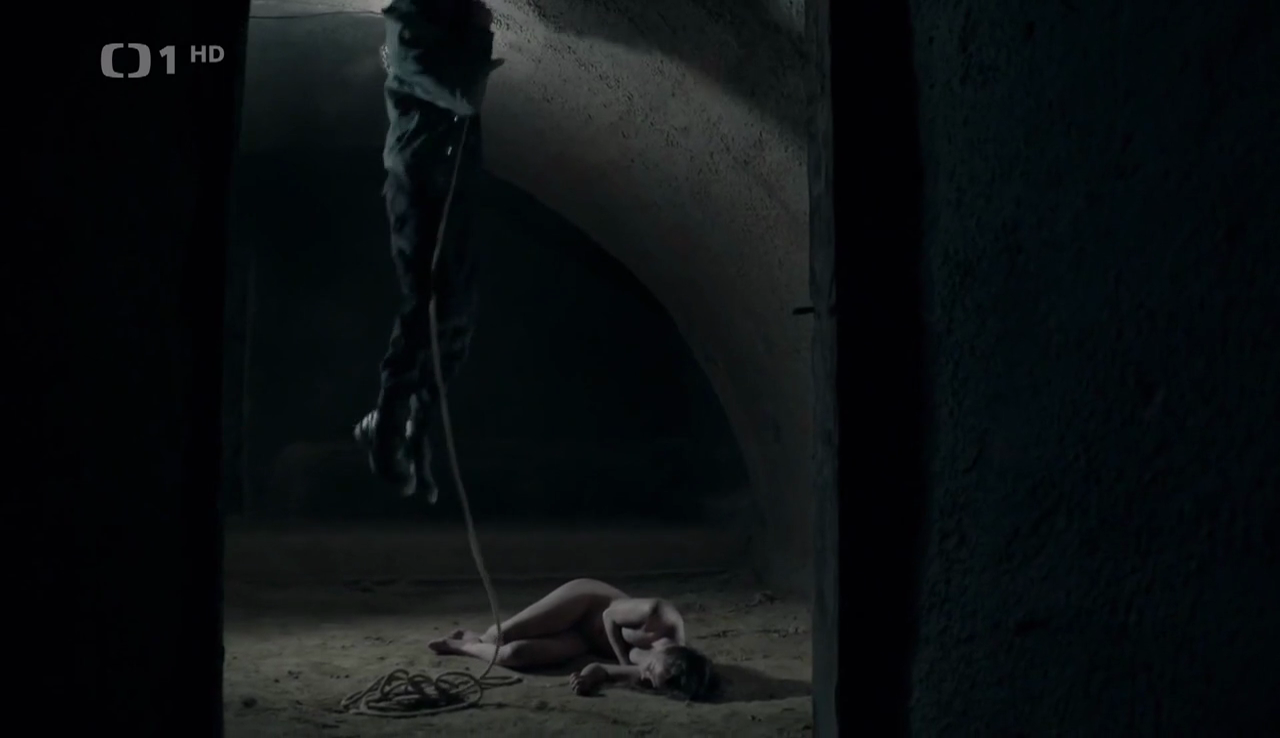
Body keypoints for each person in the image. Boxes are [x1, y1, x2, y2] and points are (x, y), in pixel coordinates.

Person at [354, 0, 500, 500]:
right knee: (438, 307)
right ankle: (399, 428)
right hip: (425, 181)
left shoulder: (418, 31)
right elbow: (462, 95)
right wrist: (477, 33)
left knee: (445, 310)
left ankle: (407, 424)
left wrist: (477, 32)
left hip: (430, 183)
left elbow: (461, 94)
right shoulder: (409, 31)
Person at [427, 578, 717, 700]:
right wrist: (621, 660)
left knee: (512, 655)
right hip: (587, 603)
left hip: (584, 639)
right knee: (501, 636)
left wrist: (587, 679)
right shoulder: (660, 616)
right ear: (673, 656)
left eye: (650, 680)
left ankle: (463, 644)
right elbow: (610, 616)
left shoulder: (657, 673)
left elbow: (602, 671)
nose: (644, 676)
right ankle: (480, 637)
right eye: (651, 671)